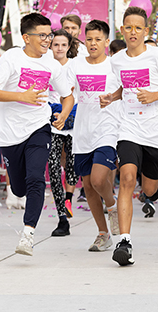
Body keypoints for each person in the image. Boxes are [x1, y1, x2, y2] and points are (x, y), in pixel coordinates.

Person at [100, 6, 158, 266]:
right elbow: (125, 86)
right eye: (128, 27)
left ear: (145, 30)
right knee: (126, 178)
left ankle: (154, 188)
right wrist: (111, 97)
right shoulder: (116, 60)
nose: (133, 32)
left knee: (149, 188)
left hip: (156, 130)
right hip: (128, 127)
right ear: (122, 30)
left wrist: (155, 96)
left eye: (138, 28)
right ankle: (124, 242)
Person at [0, 13, 75, 256]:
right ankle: (20, 191)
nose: (48, 40)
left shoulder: (52, 65)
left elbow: (68, 96)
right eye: (42, 35)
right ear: (26, 37)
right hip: (10, 134)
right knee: (20, 186)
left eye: (50, 35)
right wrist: (21, 96)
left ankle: (28, 234)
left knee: (36, 178)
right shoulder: (11, 59)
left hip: (39, 128)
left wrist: (64, 113)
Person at [62, 20, 120, 251]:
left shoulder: (115, 66)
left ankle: (112, 205)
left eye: (98, 39)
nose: (93, 43)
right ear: (84, 41)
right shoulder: (75, 66)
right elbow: (67, 94)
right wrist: (62, 114)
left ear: (106, 42)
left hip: (107, 129)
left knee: (98, 180)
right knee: (87, 185)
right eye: (89, 39)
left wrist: (114, 99)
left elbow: (126, 91)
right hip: (83, 132)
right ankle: (103, 233)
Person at [47, 29, 81, 237]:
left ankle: (68, 198)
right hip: (51, 122)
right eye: (55, 44)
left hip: (73, 121)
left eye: (63, 45)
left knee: (71, 166)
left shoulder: (75, 66)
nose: (59, 48)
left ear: (69, 47)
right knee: (52, 167)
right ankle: (61, 217)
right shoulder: (45, 65)